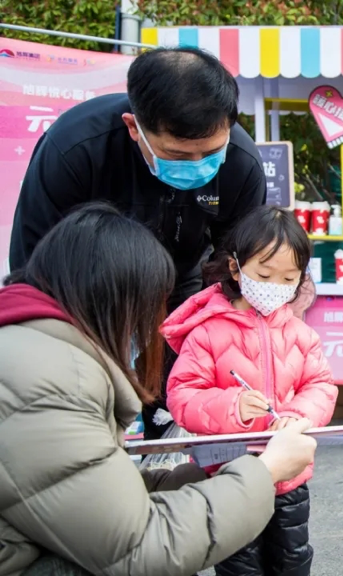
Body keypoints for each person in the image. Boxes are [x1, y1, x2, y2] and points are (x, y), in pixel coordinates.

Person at [0, 204, 318, 576]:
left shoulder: (33, 354)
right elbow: (140, 547)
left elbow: (80, 487)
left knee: (292, 558)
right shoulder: (51, 381)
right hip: (239, 466)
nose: (148, 325)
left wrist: (295, 419)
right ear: (111, 299)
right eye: (149, 306)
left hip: (269, 477)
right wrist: (260, 465)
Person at [9, 46, 269, 440]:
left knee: (173, 405)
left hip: (183, 292)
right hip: (84, 300)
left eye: (211, 153)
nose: (198, 166)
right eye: (178, 155)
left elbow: (238, 263)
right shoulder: (76, 148)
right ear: (134, 127)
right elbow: (32, 262)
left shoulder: (241, 164)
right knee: (83, 410)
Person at [162, 206, 338, 576]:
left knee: (291, 559)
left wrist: (299, 416)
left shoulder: (301, 334)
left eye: (288, 277)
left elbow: (320, 385)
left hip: (289, 477)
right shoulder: (208, 332)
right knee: (240, 565)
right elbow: (182, 395)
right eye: (264, 274)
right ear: (235, 268)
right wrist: (232, 405)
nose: (275, 287)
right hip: (229, 475)